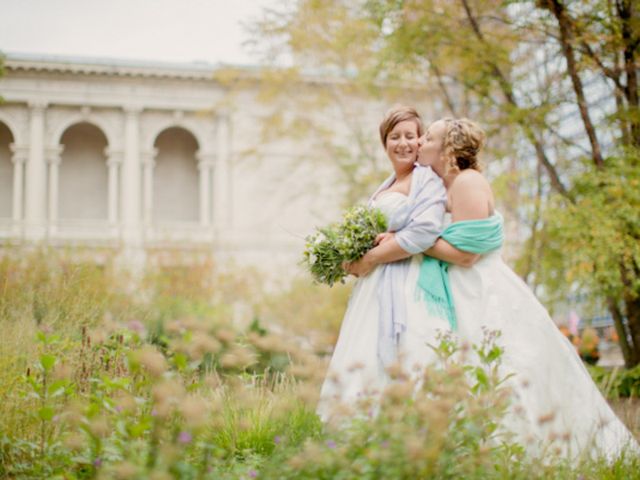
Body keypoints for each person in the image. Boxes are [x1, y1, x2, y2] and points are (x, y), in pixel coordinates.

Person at [367, 117, 639, 459]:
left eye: (428, 138)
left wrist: (410, 241)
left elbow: (466, 255)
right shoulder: (448, 184)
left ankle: (536, 452)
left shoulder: (467, 183)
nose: (419, 143)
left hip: (483, 288)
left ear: (447, 149)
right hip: (463, 289)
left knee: (508, 368)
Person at [316, 106, 448, 422]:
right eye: (394, 137)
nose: (402, 143)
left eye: (410, 136)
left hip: (407, 280)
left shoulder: (426, 179)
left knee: (407, 356)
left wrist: (371, 258)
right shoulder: (385, 185)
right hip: (375, 286)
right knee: (363, 356)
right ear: (384, 142)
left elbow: (425, 231)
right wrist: (346, 256)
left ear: (420, 141)